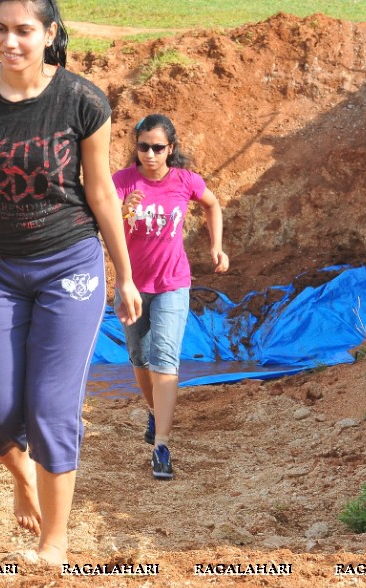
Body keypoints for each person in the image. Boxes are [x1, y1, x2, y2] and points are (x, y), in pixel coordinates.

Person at [0, 0, 141, 565]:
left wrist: (125, 275)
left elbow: (101, 193)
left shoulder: (82, 99)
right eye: (0, 29)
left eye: (24, 30)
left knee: (50, 406)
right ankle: (21, 473)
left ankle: (55, 542)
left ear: (49, 34)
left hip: (69, 263)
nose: (10, 41)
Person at [112, 114, 229, 481]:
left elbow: (212, 204)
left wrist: (216, 247)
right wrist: (123, 209)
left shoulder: (185, 181)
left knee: (164, 357)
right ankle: (153, 409)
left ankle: (162, 445)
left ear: (170, 149)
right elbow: (104, 221)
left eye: (157, 147)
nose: (150, 154)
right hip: (131, 284)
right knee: (140, 357)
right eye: (143, 146)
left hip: (173, 283)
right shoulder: (122, 181)